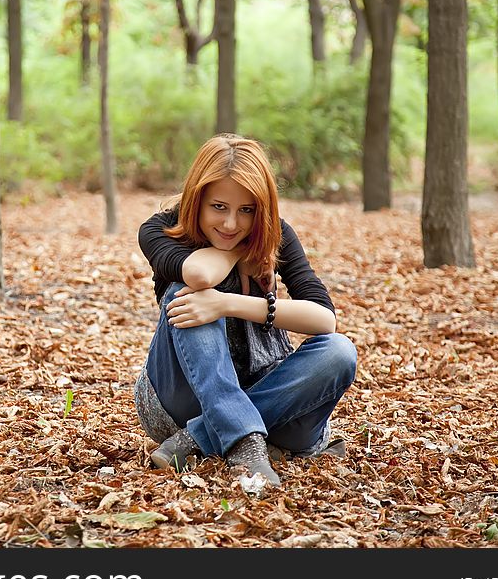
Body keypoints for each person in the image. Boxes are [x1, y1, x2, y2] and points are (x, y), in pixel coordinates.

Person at [134, 133, 357, 487]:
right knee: (188, 293)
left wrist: (230, 303)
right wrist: (244, 248)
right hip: (178, 400)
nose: (230, 224)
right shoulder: (161, 228)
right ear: (197, 200)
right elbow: (199, 273)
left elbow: (324, 318)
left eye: (247, 211)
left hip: (275, 399)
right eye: (218, 207)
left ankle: (200, 440)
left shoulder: (277, 233)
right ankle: (246, 442)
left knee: (339, 351)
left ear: (262, 209)